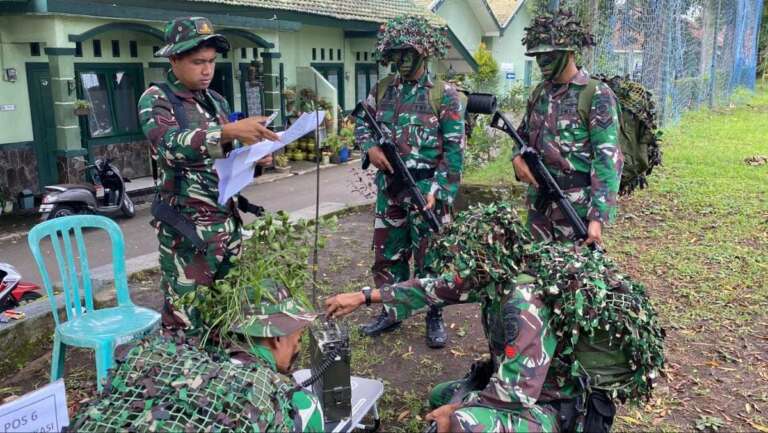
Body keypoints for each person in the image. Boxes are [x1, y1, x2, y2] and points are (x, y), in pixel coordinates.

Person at [325, 202, 574, 432]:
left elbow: (516, 394)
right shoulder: (497, 274)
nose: (460, 268)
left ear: (488, 257)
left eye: (468, 258)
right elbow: (428, 289)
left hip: (547, 406)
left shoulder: (524, 304)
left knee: (461, 424)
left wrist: (457, 410)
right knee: (440, 396)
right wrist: (364, 296)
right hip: (517, 387)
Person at [137, 17, 278, 335]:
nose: (207, 70)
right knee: (185, 322)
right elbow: (169, 146)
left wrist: (256, 159)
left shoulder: (216, 101)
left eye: (212, 62)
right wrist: (228, 131)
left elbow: (225, 160)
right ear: (173, 59)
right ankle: (183, 381)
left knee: (225, 315)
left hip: (226, 227)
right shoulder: (157, 99)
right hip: (186, 234)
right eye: (198, 62)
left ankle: (218, 378)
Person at [71, 283, 326, 432]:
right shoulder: (299, 403)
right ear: (277, 337)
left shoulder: (186, 369)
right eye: (298, 339)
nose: (298, 347)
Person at [355, 15, 466, 348]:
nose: (399, 61)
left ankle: (434, 314)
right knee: (387, 254)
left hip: (427, 191)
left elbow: (455, 151)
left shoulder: (444, 96)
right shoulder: (383, 89)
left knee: (430, 257)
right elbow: (361, 123)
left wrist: (440, 191)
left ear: (423, 54)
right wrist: (369, 147)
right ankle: (391, 311)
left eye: (406, 54)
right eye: (395, 54)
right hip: (390, 189)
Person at [514, 11, 623, 247]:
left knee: (574, 278)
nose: (542, 63)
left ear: (570, 53)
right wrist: (517, 157)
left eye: (550, 56)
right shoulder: (540, 93)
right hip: (539, 204)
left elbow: (608, 158)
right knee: (534, 271)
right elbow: (522, 135)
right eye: (538, 57)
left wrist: (597, 218)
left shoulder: (595, 94)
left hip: (576, 207)